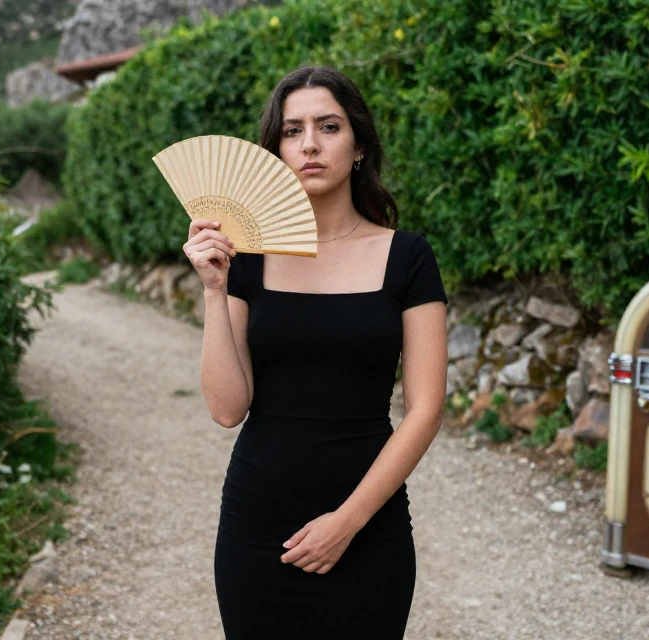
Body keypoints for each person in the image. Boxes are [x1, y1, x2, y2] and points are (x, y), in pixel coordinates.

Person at [182, 65, 448, 639]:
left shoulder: (408, 257)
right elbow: (226, 409)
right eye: (292, 130)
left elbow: (426, 409)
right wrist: (214, 289)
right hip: (258, 524)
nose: (309, 144)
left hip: (368, 523)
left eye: (328, 126)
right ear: (276, 150)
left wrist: (347, 523)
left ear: (358, 145)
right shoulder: (245, 259)